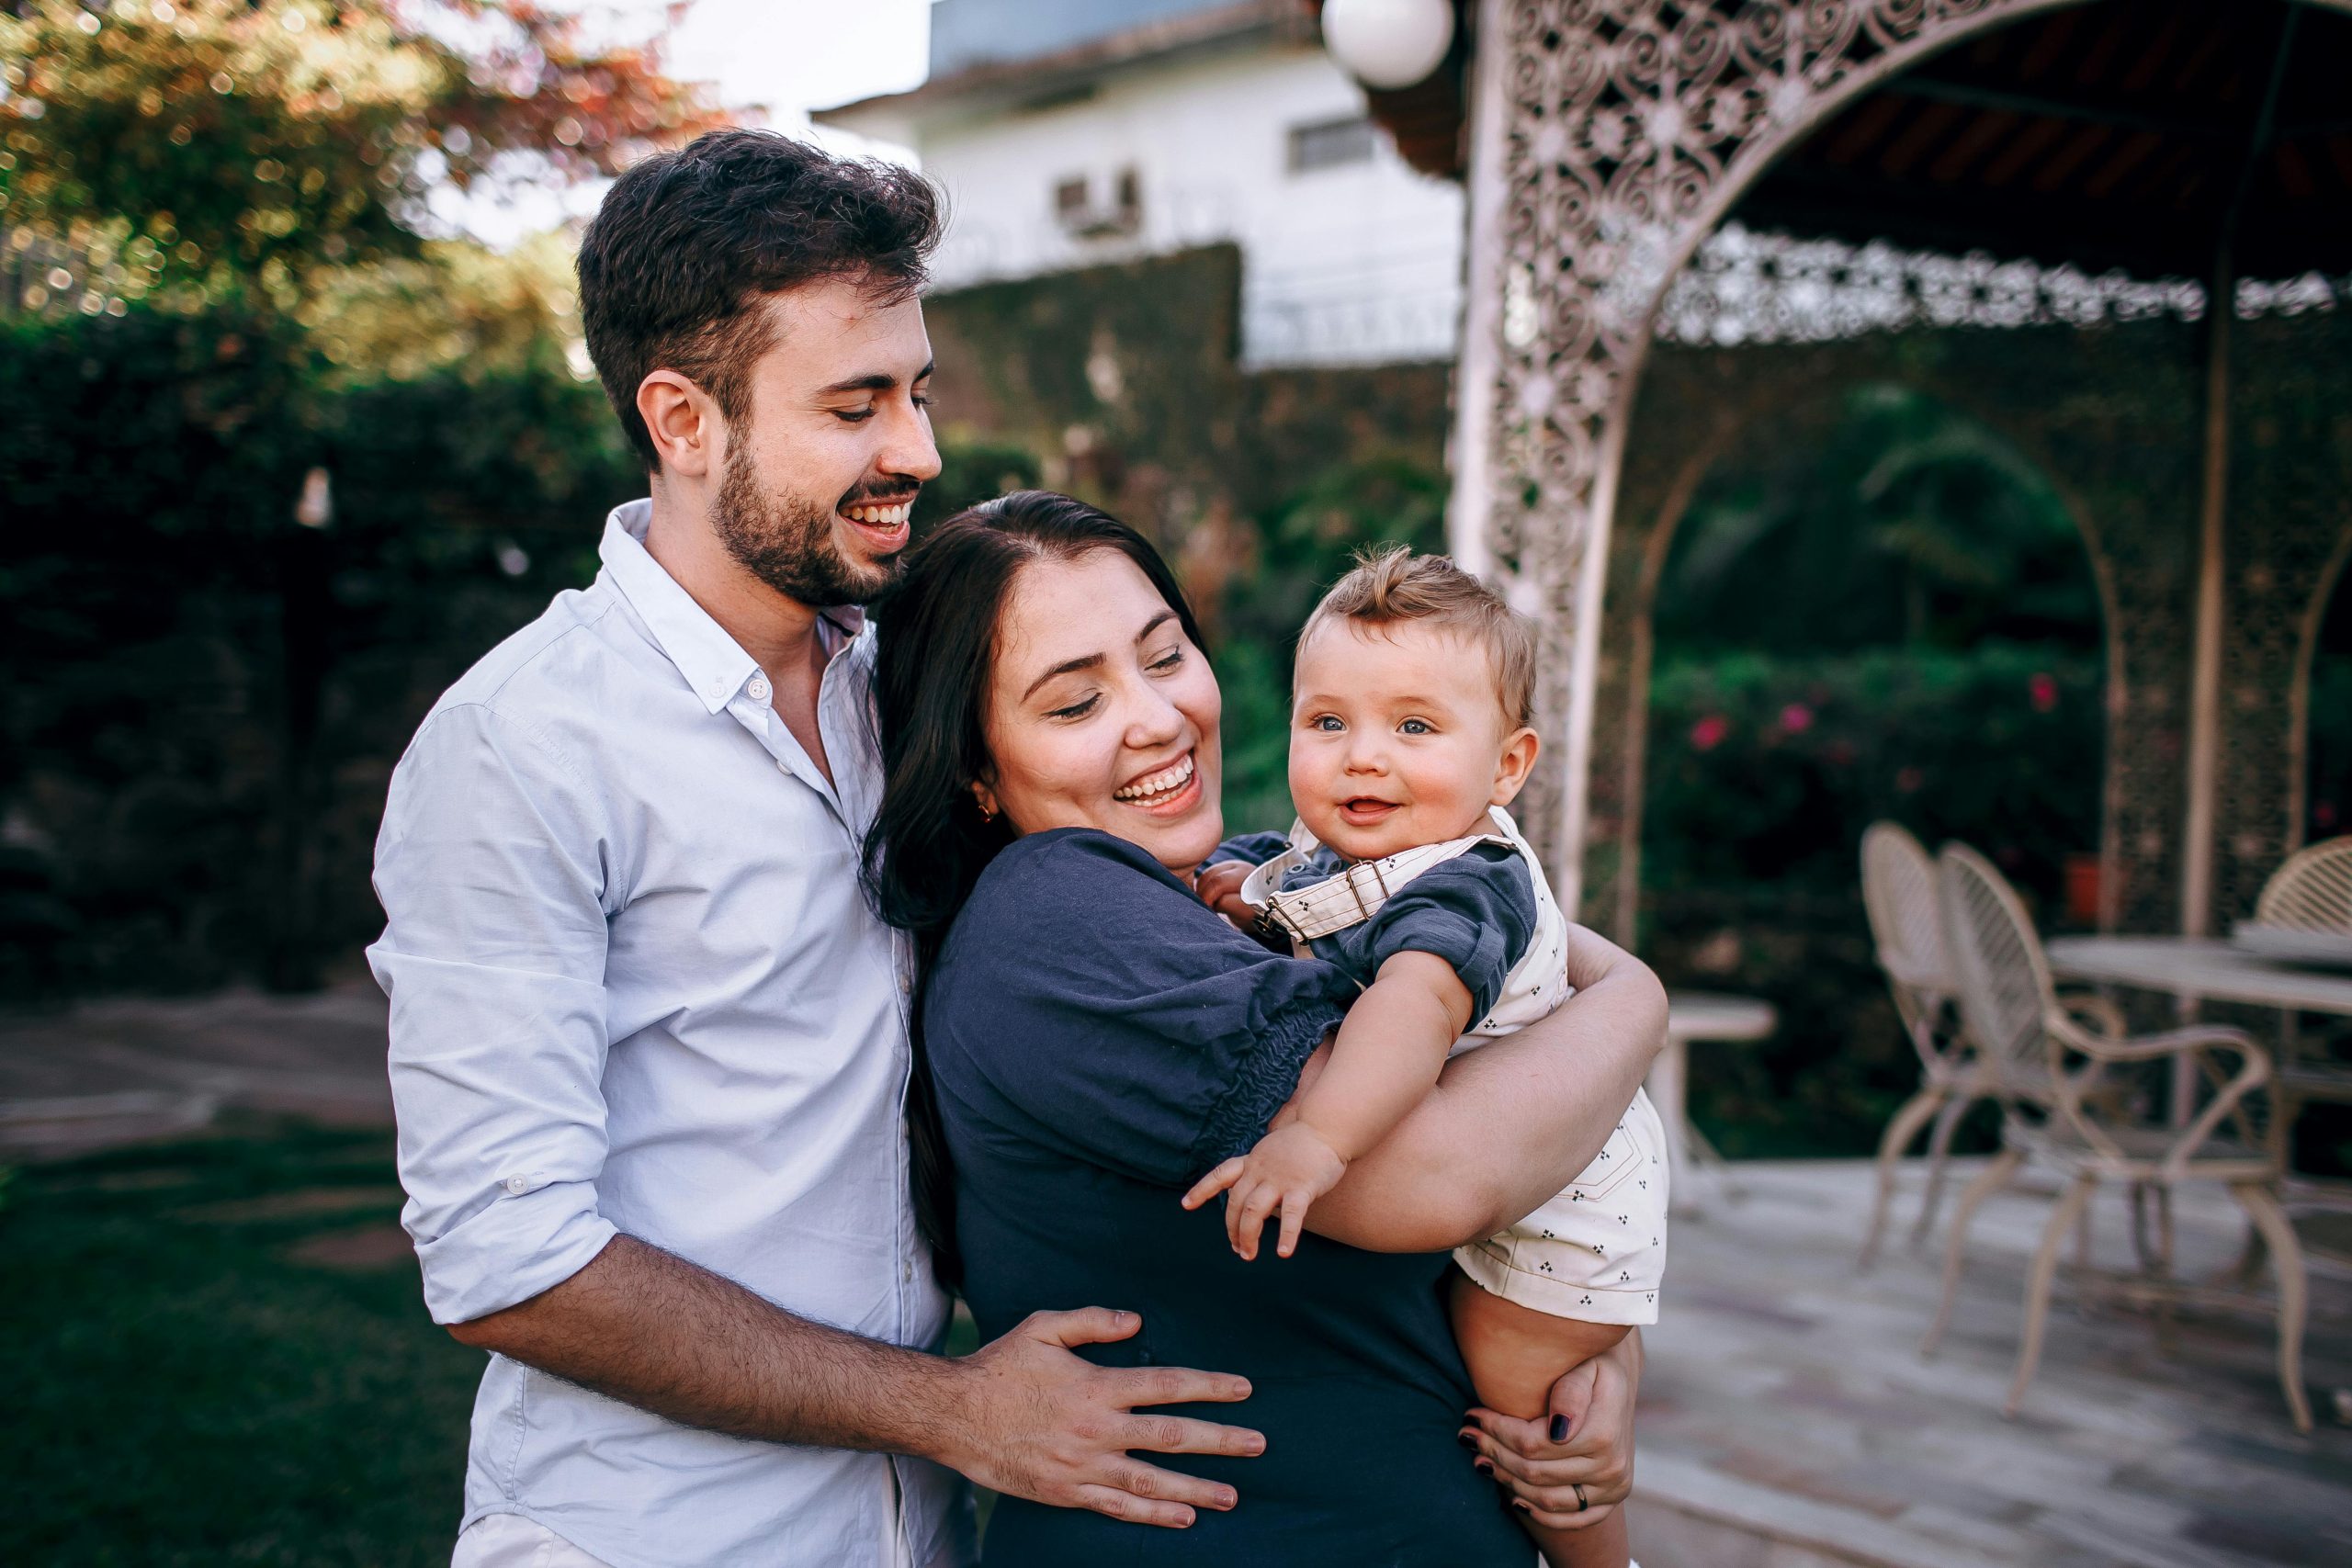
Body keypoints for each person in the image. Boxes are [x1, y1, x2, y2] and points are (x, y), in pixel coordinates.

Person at [368, 131, 1270, 1568]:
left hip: (930, 1525)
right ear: (682, 419)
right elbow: (507, 1260)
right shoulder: (521, 746)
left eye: (914, 392)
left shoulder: (898, 677)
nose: (916, 449)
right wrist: (951, 1408)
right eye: (855, 406)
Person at [865, 492, 1672, 1565]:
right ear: (974, 771)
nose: (1153, 718)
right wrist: (1636, 999)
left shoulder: (1254, 885)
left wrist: (1593, 1361)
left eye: (1163, 658)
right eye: (1074, 704)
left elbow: (1535, 1145)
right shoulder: (1054, 920)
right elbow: (1445, 1177)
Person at [1184, 547, 1670, 1568]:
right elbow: (1294, 882)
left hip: (1568, 1191)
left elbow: (1408, 1009)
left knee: (1522, 1393)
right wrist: (1242, 888)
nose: (1363, 757)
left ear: (1506, 767)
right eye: (1329, 723)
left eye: (1413, 727)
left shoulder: (1467, 885)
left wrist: (1315, 1138)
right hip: (1508, 1140)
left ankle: (1599, 1561)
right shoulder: (1345, 851)